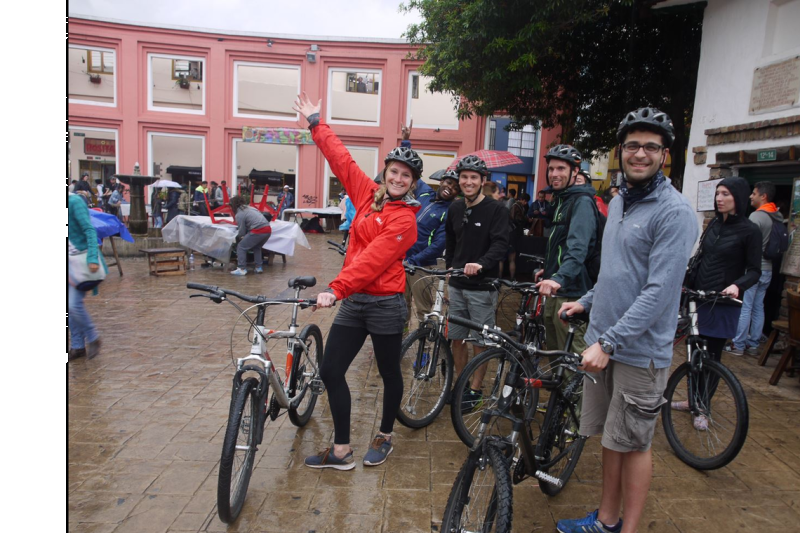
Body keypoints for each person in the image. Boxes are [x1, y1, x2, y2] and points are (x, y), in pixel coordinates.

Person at [555, 107, 698, 533]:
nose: (640, 153)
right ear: (621, 151)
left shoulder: (674, 213)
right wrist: (585, 301)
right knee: (611, 440)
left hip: (636, 352)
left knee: (635, 443)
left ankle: (625, 529)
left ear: (665, 155)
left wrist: (609, 342)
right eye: (633, 145)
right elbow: (616, 273)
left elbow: (659, 292)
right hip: (604, 342)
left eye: (650, 147)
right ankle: (605, 519)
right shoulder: (619, 203)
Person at [293, 92, 420, 469]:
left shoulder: (406, 221)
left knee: (388, 372)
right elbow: (340, 158)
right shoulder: (367, 195)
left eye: (406, 176)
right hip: (354, 302)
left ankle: (385, 434)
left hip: (384, 304)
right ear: (385, 172)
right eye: (394, 171)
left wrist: (336, 288)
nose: (398, 179)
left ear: (413, 183)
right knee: (331, 370)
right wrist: (317, 122)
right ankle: (342, 450)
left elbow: (372, 261)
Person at [680, 176, 761, 424]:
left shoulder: (750, 230)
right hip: (700, 298)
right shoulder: (714, 224)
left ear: (737, 197)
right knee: (693, 352)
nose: (720, 198)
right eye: (718, 193)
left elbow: (754, 270)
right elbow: (701, 259)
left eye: (726, 194)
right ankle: (692, 399)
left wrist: (737, 286)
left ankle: (703, 408)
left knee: (711, 357)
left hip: (723, 302)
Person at [445, 154, 509, 412]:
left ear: (483, 181)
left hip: (482, 287)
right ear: (459, 180)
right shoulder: (455, 208)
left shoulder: (496, 210)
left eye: (474, 177)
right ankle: (461, 383)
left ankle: (476, 389)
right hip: (457, 284)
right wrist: (449, 269)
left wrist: (481, 263)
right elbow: (450, 242)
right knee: (457, 338)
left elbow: (501, 245)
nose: (468, 182)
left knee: (479, 340)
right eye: (464, 177)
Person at [535, 144, 596, 356]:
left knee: (572, 360)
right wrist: (549, 270)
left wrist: (559, 277)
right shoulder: (562, 200)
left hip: (573, 292)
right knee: (554, 358)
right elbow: (560, 244)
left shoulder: (581, 202)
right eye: (551, 169)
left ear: (575, 171)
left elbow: (578, 248)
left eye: (561, 169)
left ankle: (579, 391)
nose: (554, 174)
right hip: (556, 289)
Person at [730, 181, 785, 356]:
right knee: (758, 306)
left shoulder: (756, 217)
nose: (750, 196)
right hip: (768, 269)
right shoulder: (776, 215)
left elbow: (745, 244)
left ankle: (738, 345)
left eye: (754, 193)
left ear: (763, 196)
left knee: (745, 306)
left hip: (754, 269)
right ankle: (753, 344)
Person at [403, 169, 460, 328]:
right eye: (449, 182)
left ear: (457, 194)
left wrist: (413, 260)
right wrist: (405, 146)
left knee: (424, 310)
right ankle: (401, 340)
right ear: (441, 181)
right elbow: (412, 173)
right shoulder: (425, 193)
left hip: (421, 266)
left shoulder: (448, 212)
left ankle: (426, 349)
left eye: (455, 187)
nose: (450, 187)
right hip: (401, 260)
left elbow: (438, 246)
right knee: (401, 307)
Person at [69, 193, 103, 361]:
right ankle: (77, 346)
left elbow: (89, 230)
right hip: (69, 263)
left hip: (80, 261)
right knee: (70, 308)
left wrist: (92, 257)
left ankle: (93, 337)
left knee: (73, 305)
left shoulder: (74, 202)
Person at [229, 195, 272, 275]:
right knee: (257, 247)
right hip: (268, 230)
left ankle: (242, 268)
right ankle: (258, 267)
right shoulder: (251, 208)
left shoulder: (239, 214)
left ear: (234, 205)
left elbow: (241, 232)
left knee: (241, 247)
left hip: (258, 230)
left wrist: (238, 238)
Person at [506, 191, 529, 280]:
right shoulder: (517, 206)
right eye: (525, 201)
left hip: (509, 233)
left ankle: (500, 278)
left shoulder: (516, 206)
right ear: (522, 200)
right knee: (512, 259)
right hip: (513, 234)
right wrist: (525, 220)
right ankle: (512, 278)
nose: (526, 203)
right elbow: (516, 219)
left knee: (503, 259)